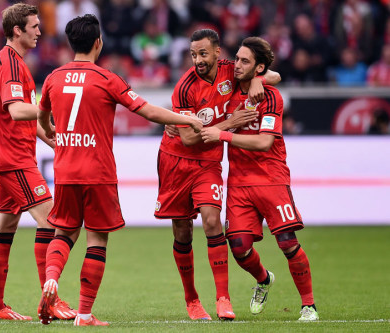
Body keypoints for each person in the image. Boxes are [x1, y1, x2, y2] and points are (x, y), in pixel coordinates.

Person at [36, 14, 203, 327]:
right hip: (98, 172)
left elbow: (42, 119)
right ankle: (84, 315)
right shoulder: (107, 79)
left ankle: (51, 280)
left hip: (66, 170)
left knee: (63, 232)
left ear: (71, 44)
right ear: (98, 43)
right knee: (96, 240)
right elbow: (149, 111)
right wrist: (188, 120)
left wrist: (53, 135)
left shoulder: (53, 78)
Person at [154, 29, 281, 321]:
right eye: (193, 54)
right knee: (182, 230)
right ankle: (192, 300)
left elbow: (276, 77)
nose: (197, 60)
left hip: (209, 163)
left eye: (203, 53)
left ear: (216, 52)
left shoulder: (231, 72)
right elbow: (188, 139)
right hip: (176, 161)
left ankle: (223, 299)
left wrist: (259, 79)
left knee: (212, 220)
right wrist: (232, 121)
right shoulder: (184, 87)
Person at [201, 36, 319, 321]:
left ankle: (308, 305)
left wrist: (224, 134)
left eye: (245, 61)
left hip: (271, 178)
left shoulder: (272, 97)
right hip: (239, 183)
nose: (237, 65)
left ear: (258, 67)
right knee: (239, 248)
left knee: (287, 242)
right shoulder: (228, 92)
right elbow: (269, 74)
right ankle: (264, 279)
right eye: (237, 59)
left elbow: (265, 143)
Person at [0, 3, 76, 321]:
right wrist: (52, 108)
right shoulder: (10, 64)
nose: (40, 31)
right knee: (51, 222)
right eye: (34, 26)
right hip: (15, 160)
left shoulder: (14, 62)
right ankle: (50, 301)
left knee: (4, 228)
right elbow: (15, 109)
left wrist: (45, 134)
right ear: (17, 31)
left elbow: (22, 111)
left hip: (13, 155)